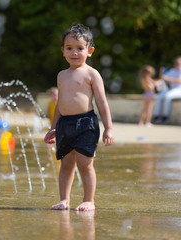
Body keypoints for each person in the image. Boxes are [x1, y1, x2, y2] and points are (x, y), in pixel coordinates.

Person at [44, 24, 114, 211]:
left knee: (85, 164)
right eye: (69, 48)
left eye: (80, 48)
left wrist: (108, 128)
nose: (74, 52)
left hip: (86, 123)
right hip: (64, 124)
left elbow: (102, 103)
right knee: (66, 164)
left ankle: (88, 200)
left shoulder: (92, 74)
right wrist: (53, 127)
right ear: (63, 51)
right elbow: (60, 104)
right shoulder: (61, 75)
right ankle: (64, 199)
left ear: (89, 51)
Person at [153, 56, 181, 124]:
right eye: (175, 63)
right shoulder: (173, 70)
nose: (176, 64)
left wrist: (167, 79)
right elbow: (163, 78)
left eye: (178, 63)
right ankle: (157, 116)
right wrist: (160, 75)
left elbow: (179, 80)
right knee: (159, 96)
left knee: (167, 96)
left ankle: (165, 117)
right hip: (172, 90)